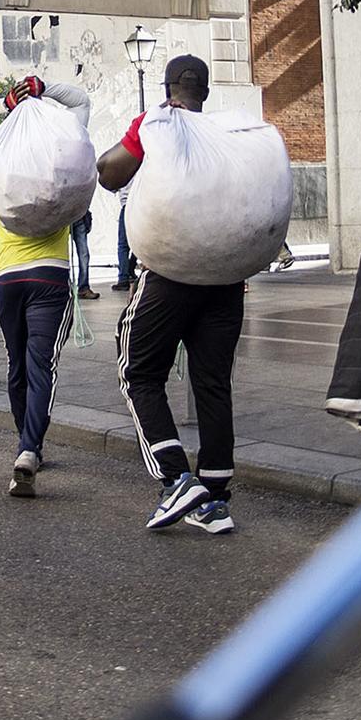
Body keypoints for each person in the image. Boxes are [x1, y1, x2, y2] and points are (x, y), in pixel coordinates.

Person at [96, 55, 242, 535]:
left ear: (169, 87)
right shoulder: (224, 135)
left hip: (170, 276)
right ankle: (215, 499)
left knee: (137, 371)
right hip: (226, 282)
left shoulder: (157, 123)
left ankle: (177, 478)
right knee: (213, 383)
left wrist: (148, 123)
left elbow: (110, 173)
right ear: (205, 90)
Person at [0, 76, 92, 497]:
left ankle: (25, 443)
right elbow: (80, 100)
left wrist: (3, 102)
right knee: (41, 363)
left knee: (16, 364)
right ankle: (30, 447)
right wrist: (45, 90)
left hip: (7, 275)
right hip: (50, 274)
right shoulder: (63, 151)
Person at [69, 210, 99, 299]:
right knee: (64, 256)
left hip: (79, 217)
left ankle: (83, 288)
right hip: (65, 218)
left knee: (84, 254)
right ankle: (65, 287)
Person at [112, 186, 137, 292]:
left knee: (123, 246)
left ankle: (123, 278)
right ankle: (130, 269)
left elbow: (111, 185)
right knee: (138, 242)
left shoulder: (122, 170)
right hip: (140, 206)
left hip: (127, 207)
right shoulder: (140, 169)